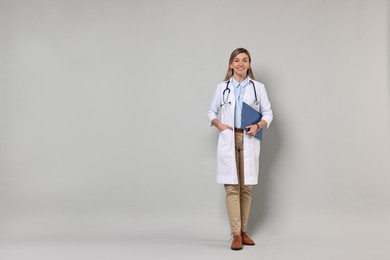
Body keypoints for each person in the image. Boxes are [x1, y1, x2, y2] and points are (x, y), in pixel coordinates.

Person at [207, 48, 273, 250]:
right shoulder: (222, 87)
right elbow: (211, 111)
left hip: (249, 137)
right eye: (237, 60)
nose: (240, 64)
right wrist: (219, 125)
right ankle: (235, 234)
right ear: (231, 64)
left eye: (245, 60)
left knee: (246, 187)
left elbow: (268, 113)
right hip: (229, 137)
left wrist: (258, 125)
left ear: (249, 64)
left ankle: (243, 231)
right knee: (231, 187)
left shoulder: (257, 87)